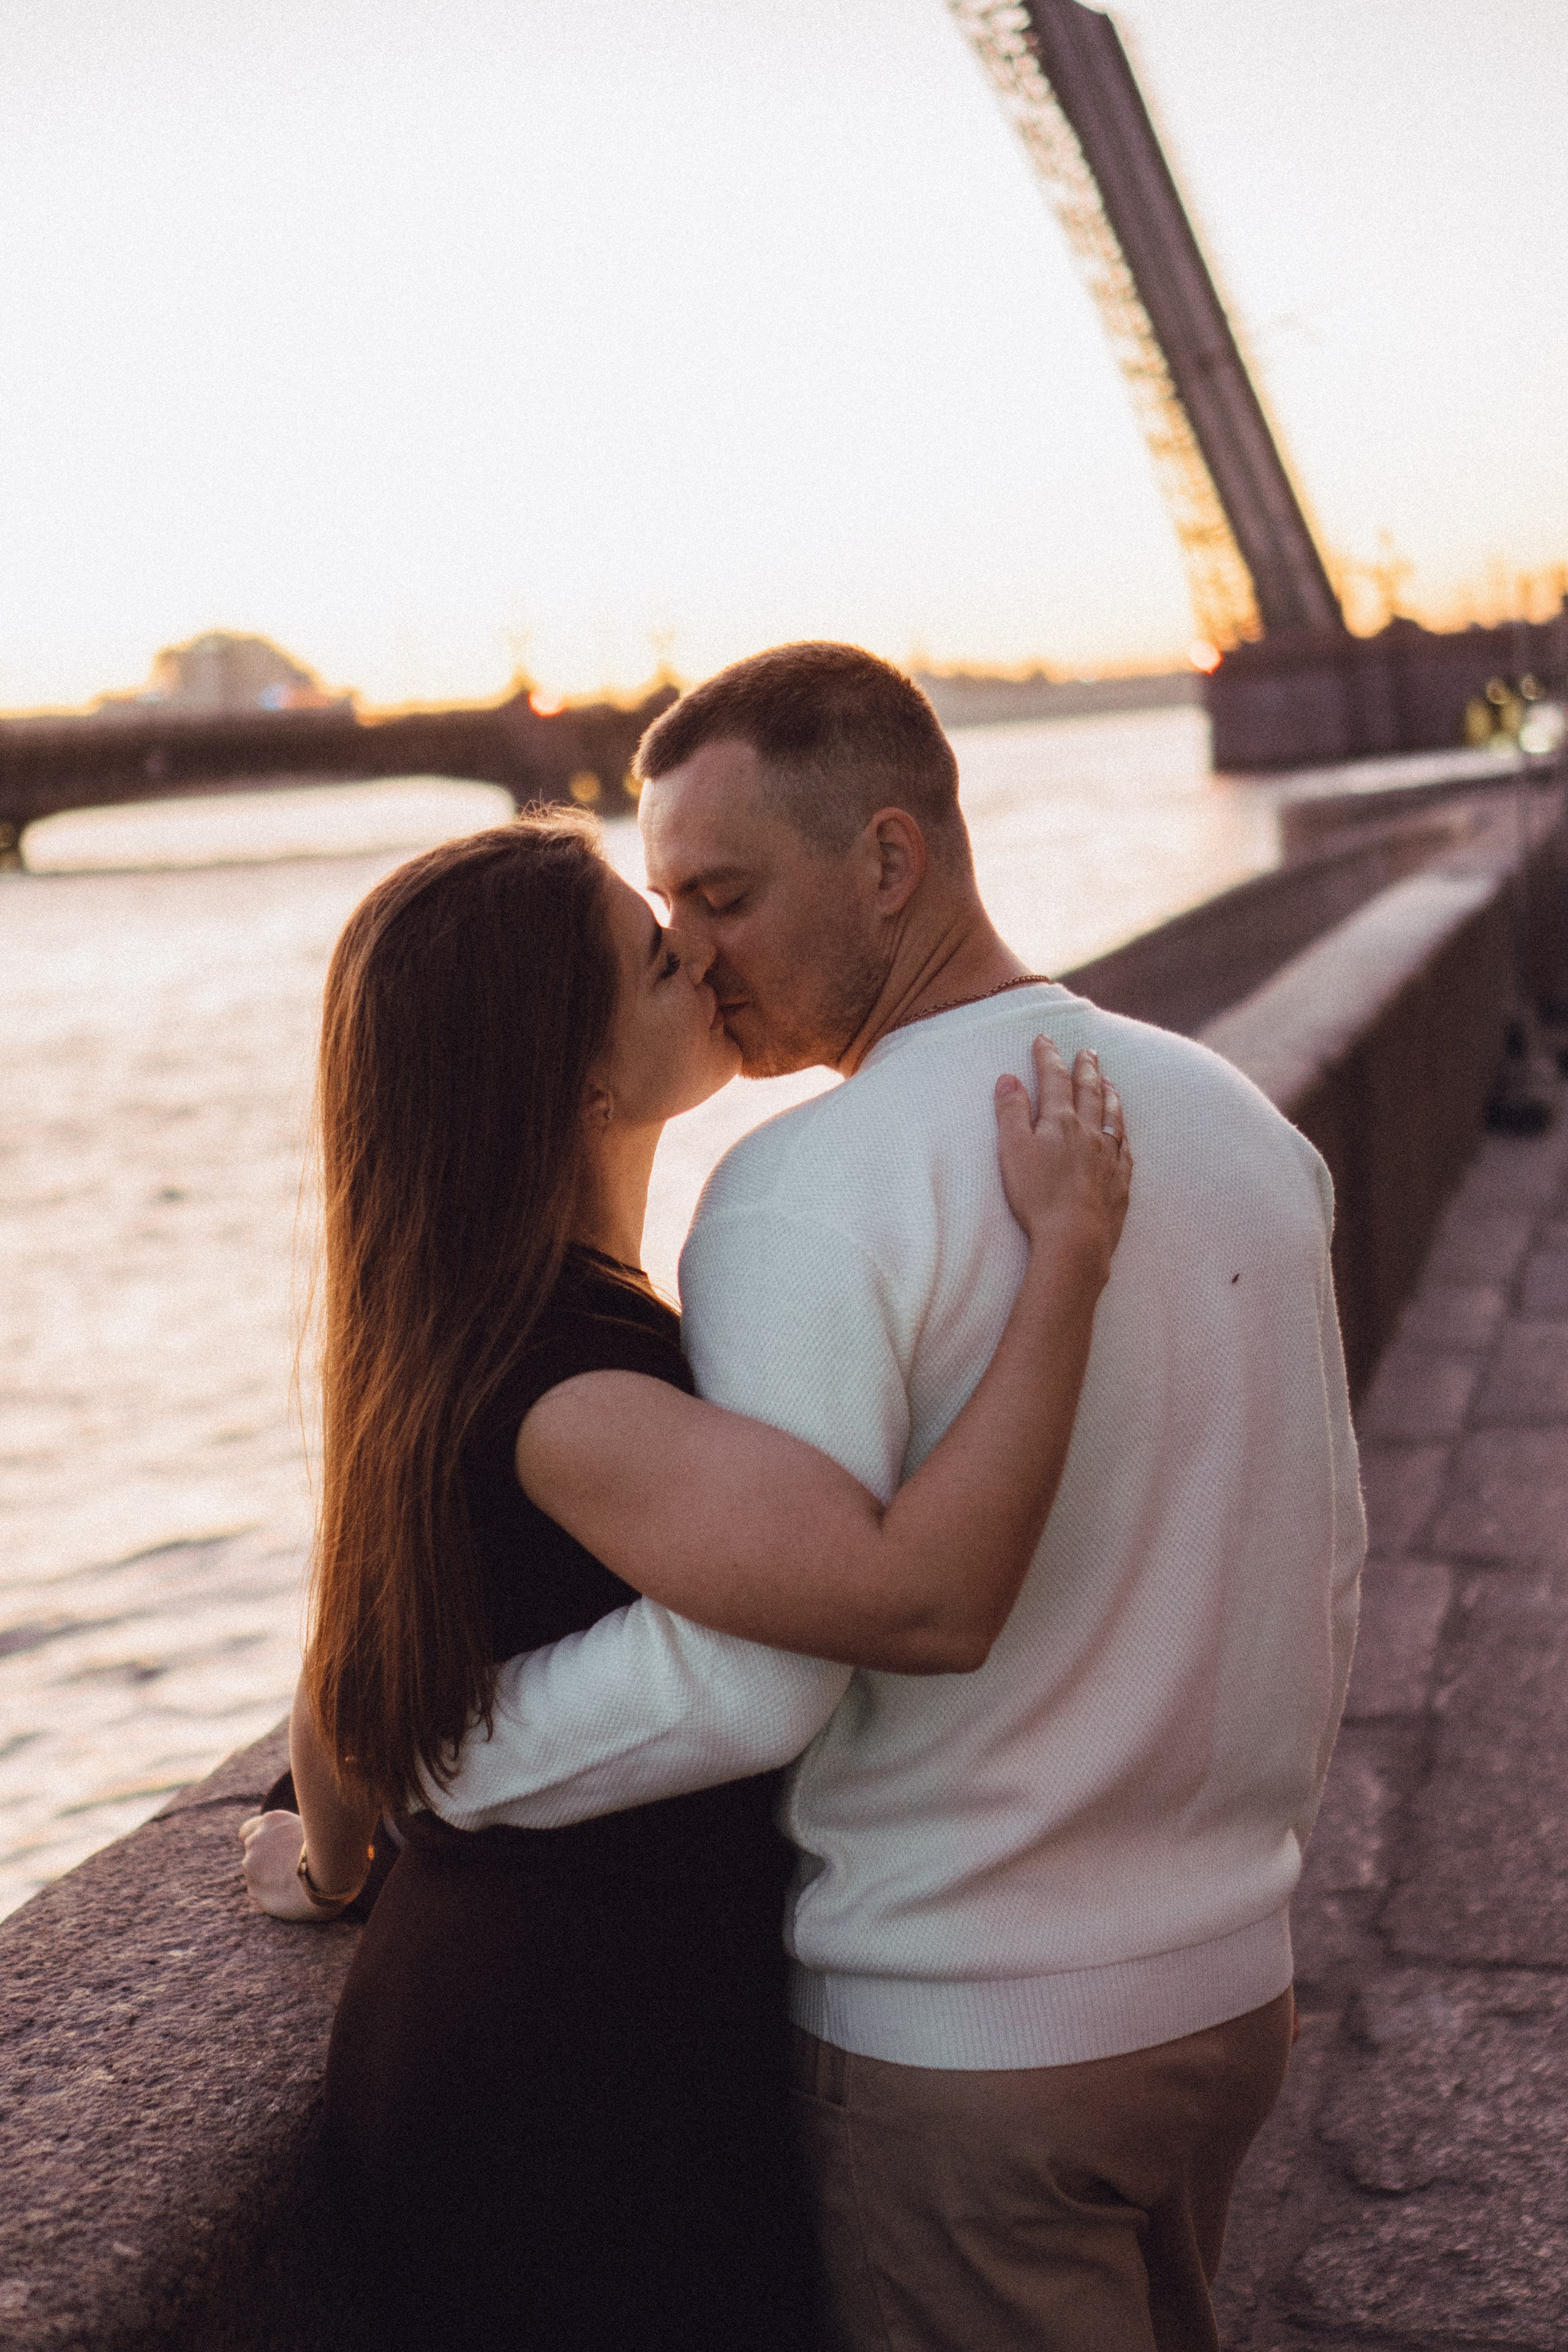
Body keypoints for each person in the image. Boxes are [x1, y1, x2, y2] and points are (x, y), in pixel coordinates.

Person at [415, 643, 1366, 2352]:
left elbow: (750, 1677)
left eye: (725, 895)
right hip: (1229, 1993)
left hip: (968, 2035)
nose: (696, 953)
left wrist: (428, 1754)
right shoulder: (1233, 1123)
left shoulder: (799, 1193)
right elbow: (1326, 1556)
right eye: (668, 910)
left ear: (886, 860)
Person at [239, 807, 1133, 2352]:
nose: (707, 961)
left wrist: (329, 1869)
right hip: (576, 2097)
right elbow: (923, 1597)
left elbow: (352, 1681)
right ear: (577, 1082)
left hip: (529, 2046)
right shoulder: (578, 1390)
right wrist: (1065, 1259)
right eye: (659, 959)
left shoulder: (458, 1336)